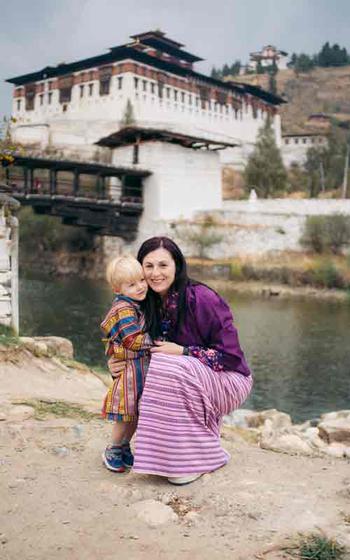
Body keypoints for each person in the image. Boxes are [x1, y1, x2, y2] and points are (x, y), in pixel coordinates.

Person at [109, 237, 253, 485]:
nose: (155, 273)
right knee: (157, 368)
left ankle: (199, 457)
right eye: (149, 266)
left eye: (163, 265)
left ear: (177, 265)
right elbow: (128, 342)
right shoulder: (144, 303)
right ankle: (169, 456)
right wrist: (114, 362)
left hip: (229, 380)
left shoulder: (202, 298)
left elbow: (231, 357)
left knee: (166, 363)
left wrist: (185, 352)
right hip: (182, 375)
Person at [101, 255, 153, 473]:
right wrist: (157, 342)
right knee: (126, 412)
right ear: (117, 289)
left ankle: (124, 446)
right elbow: (131, 339)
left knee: (137, 412)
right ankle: (112, 447)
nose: (140, 287)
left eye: (142, 280)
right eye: (132, 284)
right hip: (130, 370)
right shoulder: (123, 308)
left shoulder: (136, 303)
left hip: (141, 367)